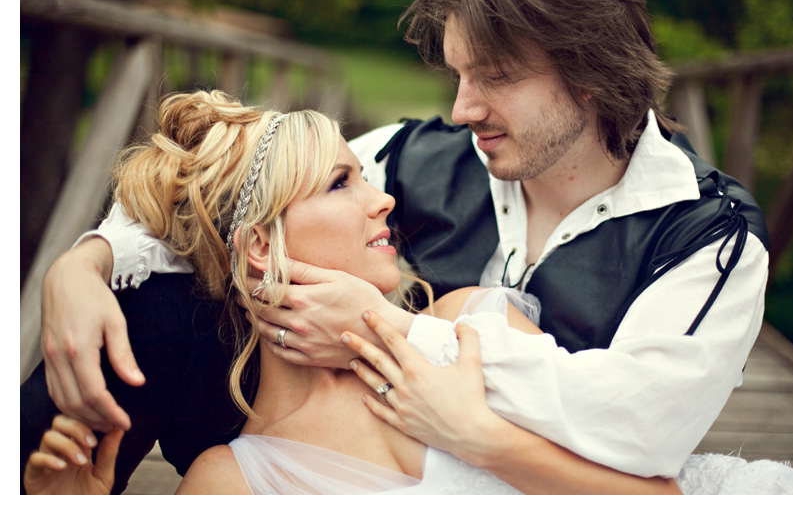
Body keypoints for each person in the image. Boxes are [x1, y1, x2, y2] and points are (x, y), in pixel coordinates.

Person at [26, 0, 781, 489]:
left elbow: (641, 428)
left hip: (529, 470)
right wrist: (86, 261)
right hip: (293, 420)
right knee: (148, 310)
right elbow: (232, 189)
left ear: (589, 70)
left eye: (493, 76)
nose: (462, 109)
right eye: (457, 75)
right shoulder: (422, 158)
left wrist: (388, 330)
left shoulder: (707, 240)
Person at [24, 89, 686, 495]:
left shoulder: (468, 327)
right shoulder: (231, 482)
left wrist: (480, 436)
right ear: (260, 248)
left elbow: (657, 498)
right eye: (343, 183)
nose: (387, 198)